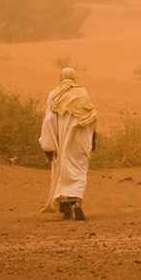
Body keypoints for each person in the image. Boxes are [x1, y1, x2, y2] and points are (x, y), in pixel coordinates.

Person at [39, 67, 98, 220]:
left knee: (62, 170)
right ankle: (77, 201)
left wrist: (49, 144)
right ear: (74, 78)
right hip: (82, 139)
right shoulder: (82, 93)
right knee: (79, 169)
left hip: (62, 138)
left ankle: (66, 210)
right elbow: (92, 117)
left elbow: (49, 120)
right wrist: (93, 138)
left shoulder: (55, 94)